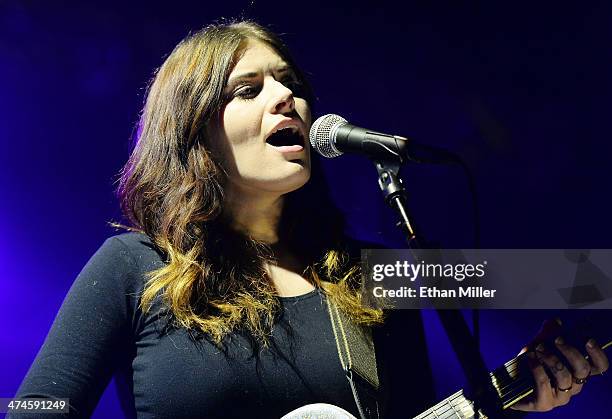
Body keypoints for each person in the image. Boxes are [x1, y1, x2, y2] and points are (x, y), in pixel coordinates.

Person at [12, 21, 608, 419]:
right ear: (194, 131)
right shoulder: (137, 267)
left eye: (290, 83)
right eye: (247, 89)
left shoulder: (371, 275)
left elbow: (563, 278)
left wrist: (510, 394)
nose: (284, 97)